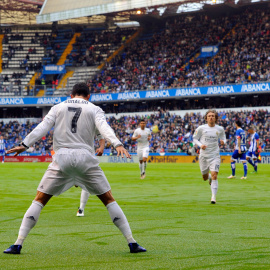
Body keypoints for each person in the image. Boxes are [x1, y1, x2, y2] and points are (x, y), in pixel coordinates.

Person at [4, 82, 146, 255]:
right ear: (88, 96)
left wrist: (24, 145)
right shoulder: (94, 108)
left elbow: (43, 127)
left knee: (39, 200)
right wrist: (117, 144)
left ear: (71, 95)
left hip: (61, 158)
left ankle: (17, 244)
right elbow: (103, 128)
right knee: (109, 199)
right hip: (85, 158)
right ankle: (132, 243)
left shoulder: (58, 107)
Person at [193, 110, 226, 204]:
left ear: (216, 118)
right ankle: (209, 178)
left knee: (215, 175)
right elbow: (194, 139)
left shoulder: (220, 129)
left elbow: (224, 138)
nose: (211, 117)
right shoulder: (201, 128)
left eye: (213, 116)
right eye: (209, 116)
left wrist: (224, 142)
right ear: (206, 118)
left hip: (215, 155)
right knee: (204, 177)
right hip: (203, 156)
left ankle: (213, 197)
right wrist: (200, 145)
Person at [77, 129, 105, 217]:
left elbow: (101, 136)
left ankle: (81, 209)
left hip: (88, 156)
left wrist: (101, 147)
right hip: (72, 155)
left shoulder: (92, 120)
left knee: (86, 183)